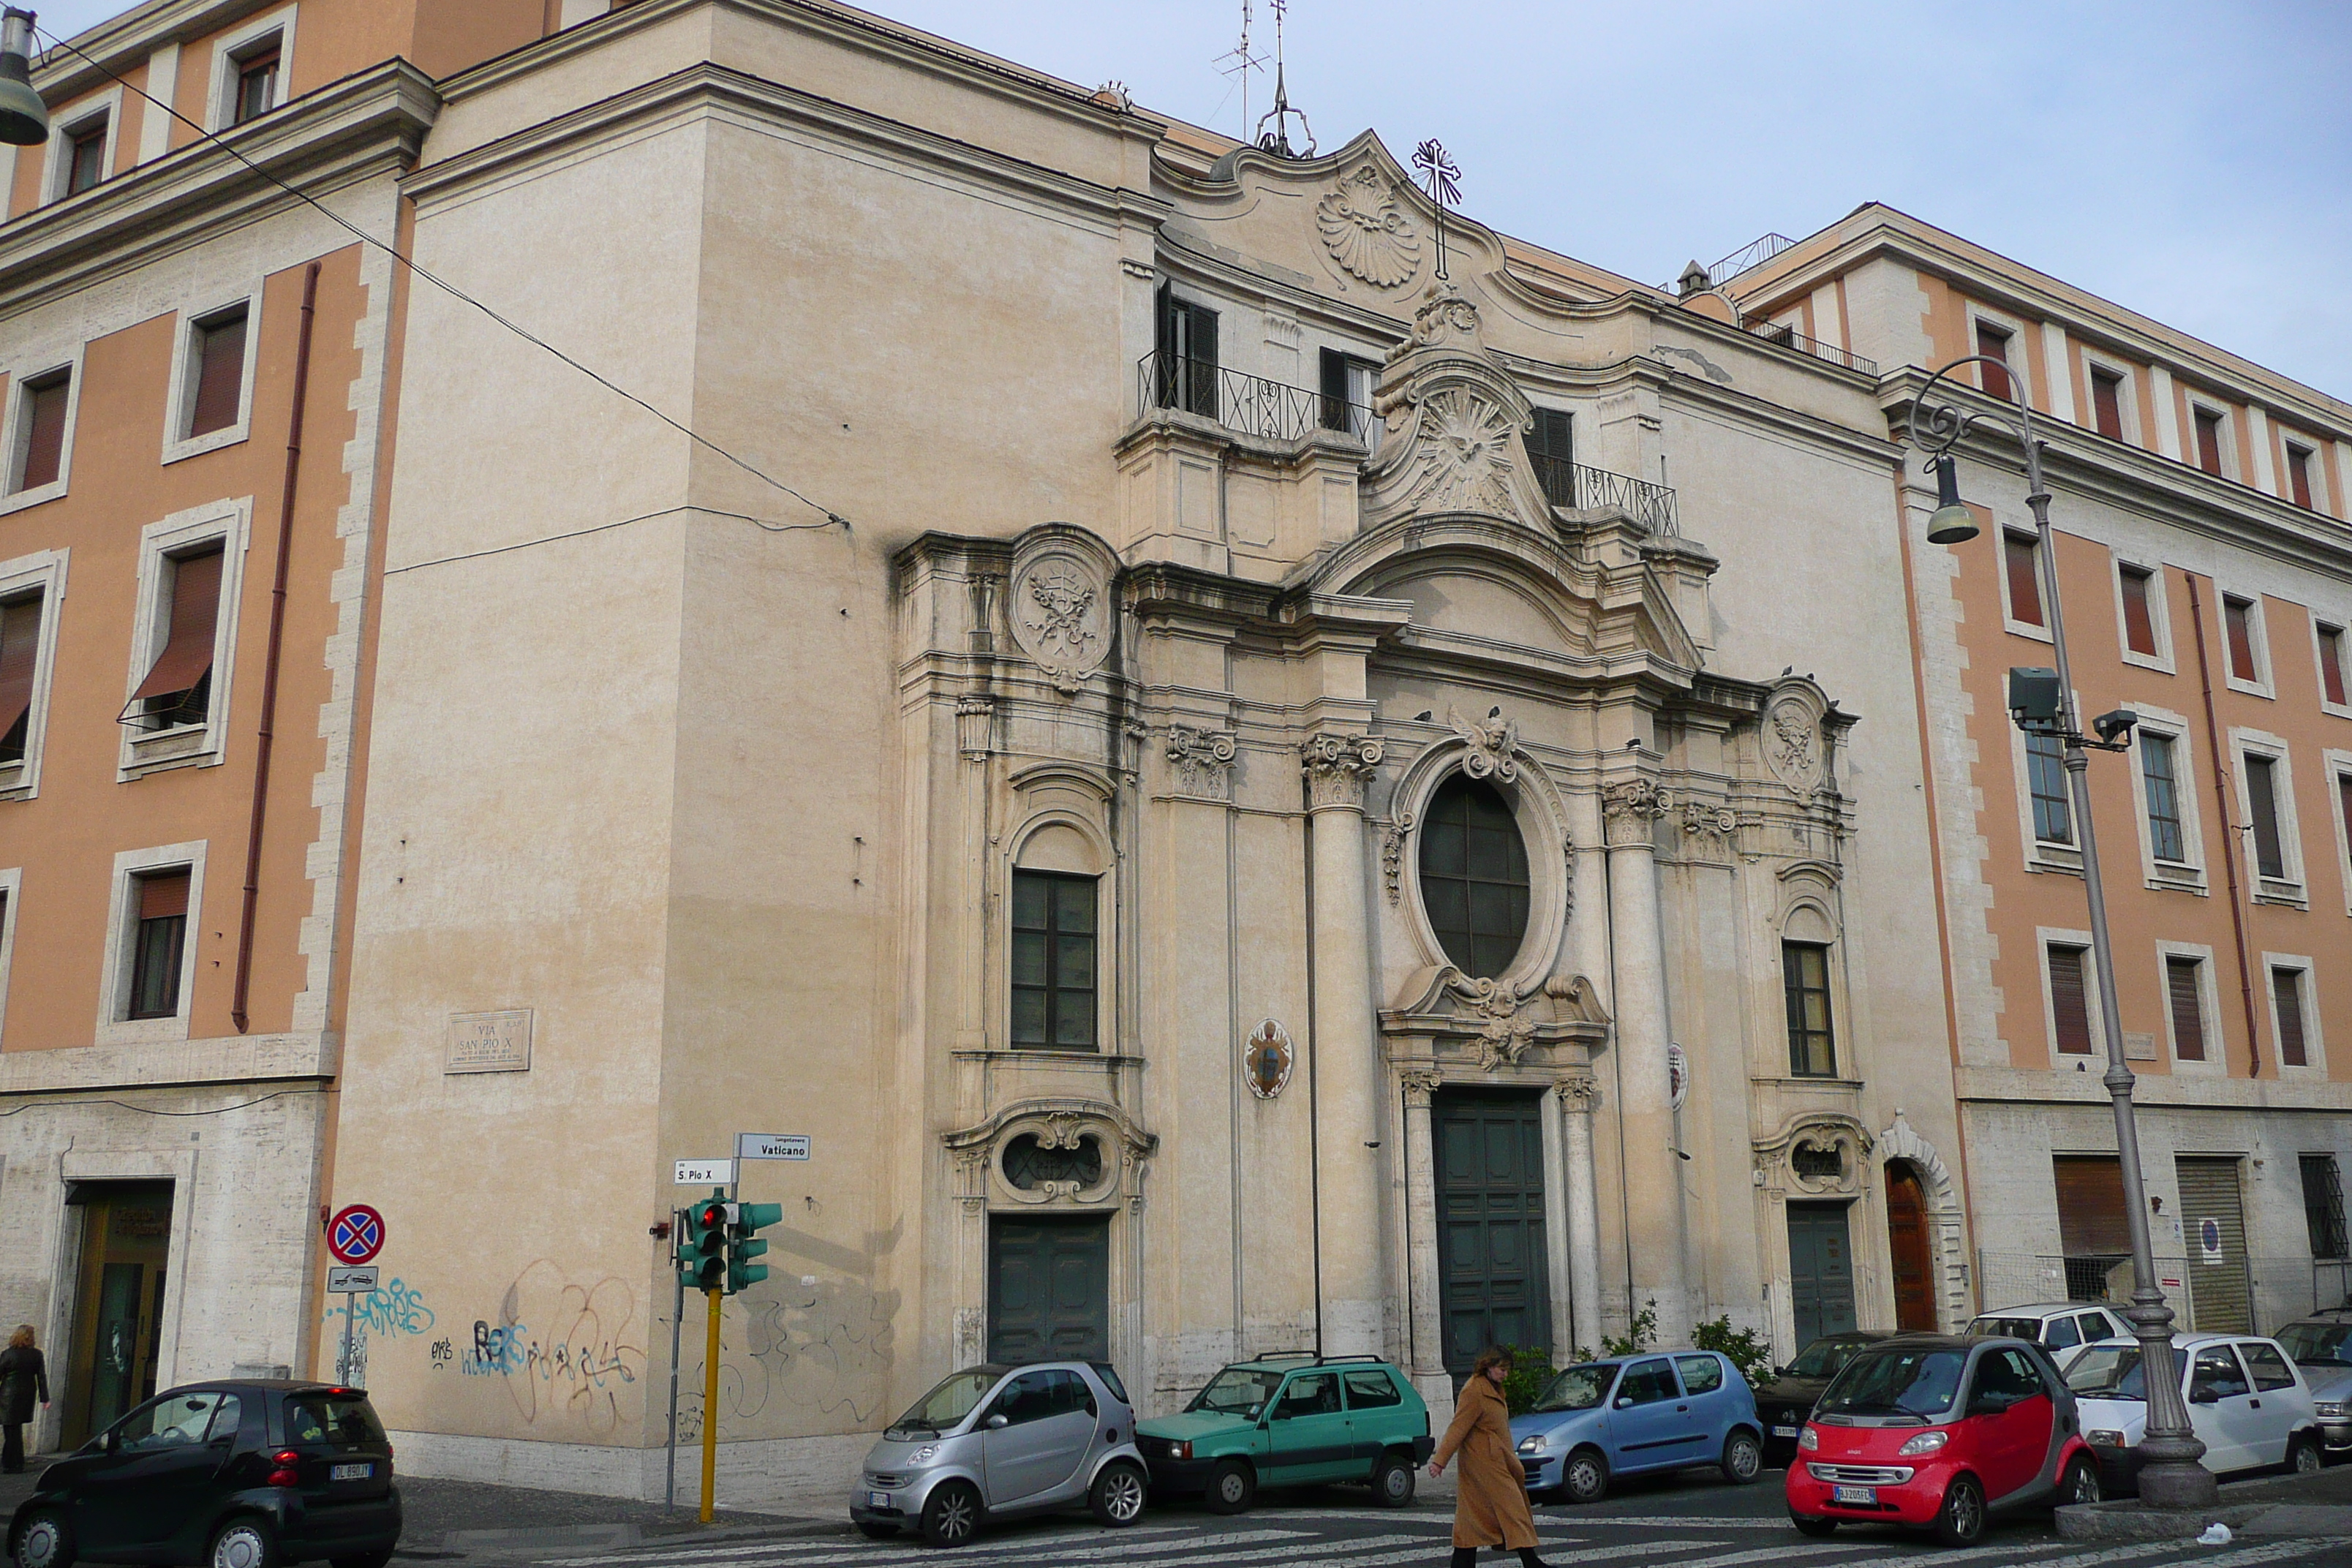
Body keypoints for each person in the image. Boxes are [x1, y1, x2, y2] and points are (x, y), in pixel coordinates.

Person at [1428, 1346, 1550, 1568]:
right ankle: (1532, 1563)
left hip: (1494, 1461)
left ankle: (1463, 1565)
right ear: (1488, 1366)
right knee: (1514, 1510)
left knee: (1471, 1520)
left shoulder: (1493, 1389)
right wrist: (1440, 1461)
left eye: (1507, 1370)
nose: (1505, 1374)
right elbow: (1458, 1427)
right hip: (1484, 1465)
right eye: (1501, 1369)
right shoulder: (1474, 1391)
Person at [0, 1324, 49, 1474]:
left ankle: (11, 1463)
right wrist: (45, 1398)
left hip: (9, 1395)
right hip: (27, 1395)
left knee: (10, 1429)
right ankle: (15, 1462)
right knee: (16, 1429)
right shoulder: (36, 1355)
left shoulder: (8, 1354)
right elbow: (41, 1377)